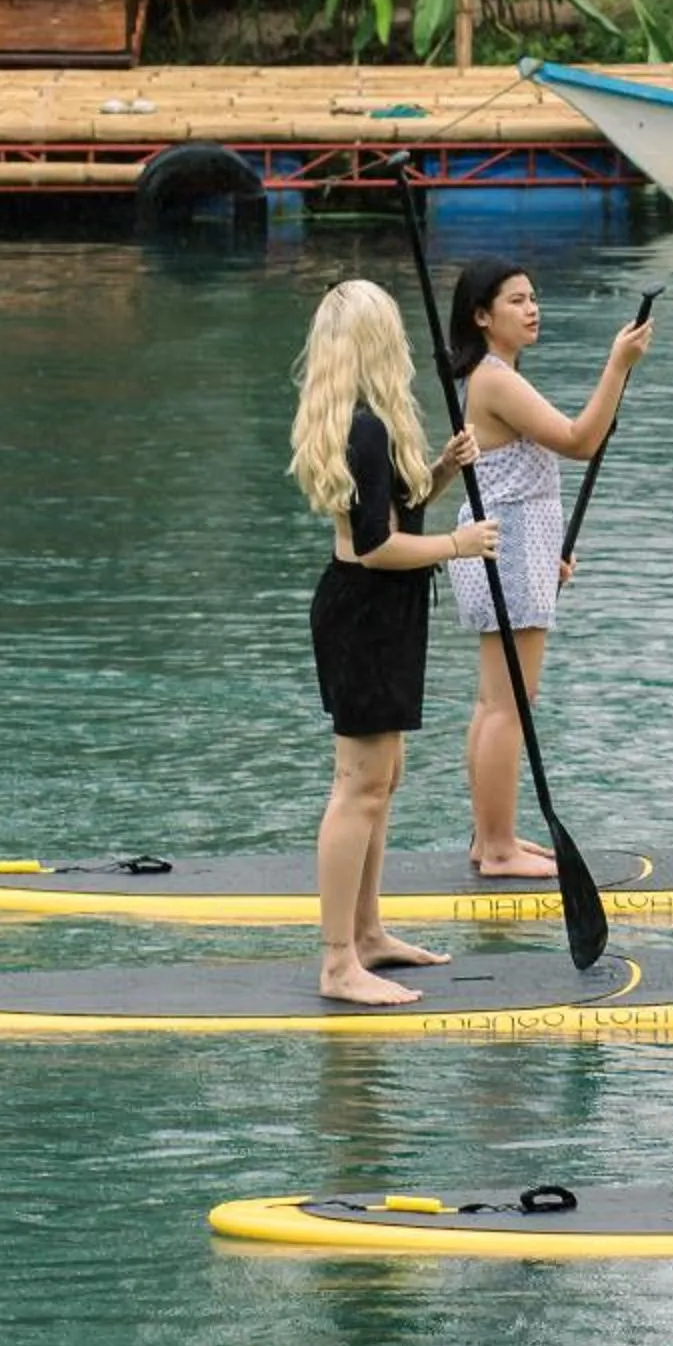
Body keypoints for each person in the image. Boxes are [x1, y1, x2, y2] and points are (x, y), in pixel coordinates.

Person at [288, 279, 494, 1006]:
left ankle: (369, 933)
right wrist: (458, 544)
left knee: (383, 781)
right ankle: (338, 960)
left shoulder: (367, 424)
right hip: (366, 612)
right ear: (377, 342)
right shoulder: (364, 427)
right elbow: (376, 547)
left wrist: (438, 473)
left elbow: (386, 516)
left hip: (379, 613)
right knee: (358, 786)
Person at [443, 259, 654, 878]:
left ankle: (490, 838)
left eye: (534, 297)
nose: (532, 308)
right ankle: (500, 847)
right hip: (505, 548)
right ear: (482, 316)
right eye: (516, 301)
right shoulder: (495, 378)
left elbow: (519, 475)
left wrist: (545, 550)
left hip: (510, 544)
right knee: (511, 703)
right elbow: (581, 439)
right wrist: (618, 365)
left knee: (494, 702)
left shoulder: (494, 375)